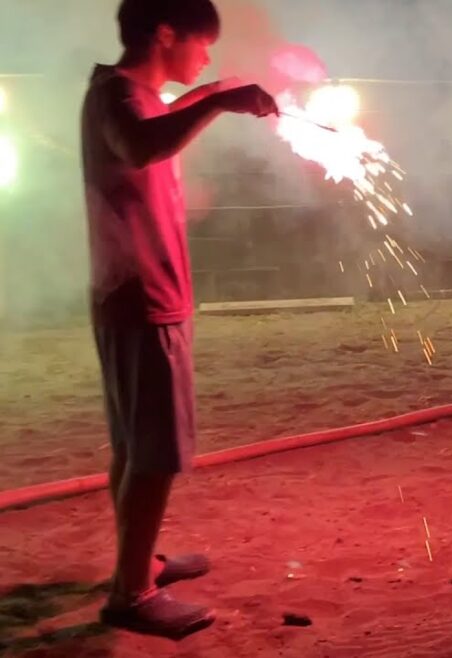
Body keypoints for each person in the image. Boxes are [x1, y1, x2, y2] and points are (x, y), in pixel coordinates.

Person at [81, 0, 278, 638]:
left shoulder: (133, 93)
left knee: (132, 445)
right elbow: (141, 144)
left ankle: (139, 563)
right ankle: (130, 593)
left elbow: (166, 115)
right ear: (166, 33)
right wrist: (219, 102)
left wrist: (220, 90)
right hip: (142, 299)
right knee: (156, 453)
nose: (207, 57)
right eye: (203, 44)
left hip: (134, 296)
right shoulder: (120, 99)